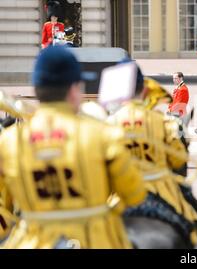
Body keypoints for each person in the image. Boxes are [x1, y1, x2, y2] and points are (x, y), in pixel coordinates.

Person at [0, 46, 147, 249]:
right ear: (73, 89)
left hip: (31, 241)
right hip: (95, 240)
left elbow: (5, 205)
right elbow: (135, 194)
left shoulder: (8, 141)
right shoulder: (103, 135)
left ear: (37, 89)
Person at [108, 61, 197, 248]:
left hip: (119, 196)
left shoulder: (108, 124)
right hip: (161, 192)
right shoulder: (164, 123)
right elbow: (178, 159)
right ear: (144, 91)